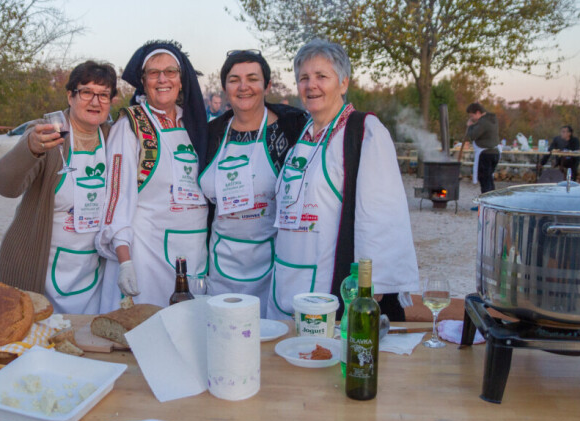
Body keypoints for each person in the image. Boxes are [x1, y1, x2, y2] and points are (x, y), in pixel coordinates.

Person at [267, 39, 419, 322]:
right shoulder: (302, 134)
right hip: (288, 276)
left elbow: (383, 214)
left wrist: (372, 285)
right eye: (304, 78)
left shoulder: (364, 132)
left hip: (329, 278)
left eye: (321, 76)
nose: (311, 85)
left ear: (344, 83)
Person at [0, 60, 117, 315]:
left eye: (104, 95)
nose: (95, 101)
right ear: (70, 96)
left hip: (91, 274)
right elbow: (4, 185)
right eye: (87, 92)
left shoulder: (114, 137)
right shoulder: (46, 133)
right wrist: (30, 148)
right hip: (41, 269)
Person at [97, 41, 208, 311]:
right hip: (146, 254)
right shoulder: (130, 126)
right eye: (153, 73)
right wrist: (125, 262)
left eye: (170, 72)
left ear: (182, 81)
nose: (162, 79)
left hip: (193, 253)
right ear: (143, 81)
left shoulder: (195, 124)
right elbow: (116, 199)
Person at [200, 50, 308, 315]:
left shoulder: (291, 131)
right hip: (220, 265)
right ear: (225, 88)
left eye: (252, 78)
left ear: (267, 85)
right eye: (234, 79)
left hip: (272, 266)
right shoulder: (210, 135)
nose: (243, 86)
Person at [465, 102, 500, 194]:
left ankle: (485, 204)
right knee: (489, 179)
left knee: (484, 180)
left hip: (485, 154)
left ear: (478, 112)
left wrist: (470, 126)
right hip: (494, 152)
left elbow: (472, 136)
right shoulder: (492, 119)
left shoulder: (483, 122)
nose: (471, 118)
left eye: (472, 115)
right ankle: (491, 202)